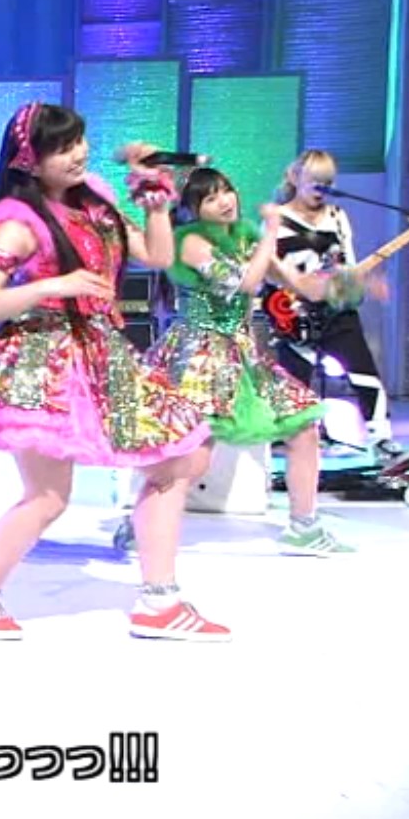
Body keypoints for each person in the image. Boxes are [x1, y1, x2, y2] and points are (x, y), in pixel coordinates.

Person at [0, 102, 228, 641]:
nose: (78, 155)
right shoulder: (17, 223)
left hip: (103, 355)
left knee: (175, 459)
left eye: (79, 142)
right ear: (29, 160)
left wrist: (157, 205)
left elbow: (156, 256)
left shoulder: (95, 197)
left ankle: (160, 600)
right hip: (42, 365)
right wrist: (54, 285)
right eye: (62, 148)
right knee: (48, 499)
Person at [143, 167, 352, 555]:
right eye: (210, 198)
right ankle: (140, 524)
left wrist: (347, 282)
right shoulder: (190, 242)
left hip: (242, 353)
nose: (225, 201)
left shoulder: (245, 236)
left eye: (226, 190)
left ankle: (304, 526)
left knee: (304, 426)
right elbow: (245, 284)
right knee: (193, 457)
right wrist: (271, 232)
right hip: (199, 355)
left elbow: (300, 285)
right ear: (192, 210)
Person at [264, 150, 409, 470]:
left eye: (327, 182)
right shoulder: (276, 218)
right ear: (295, 178)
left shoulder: (337, 216)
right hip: (293, 313)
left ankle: (382, 441)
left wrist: (367, 282)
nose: (321, 188)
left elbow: (347, 263)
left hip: (335, 309)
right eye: (314, 180)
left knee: (364, 372)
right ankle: (291, 442)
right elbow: (266, 268)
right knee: (294, 383)